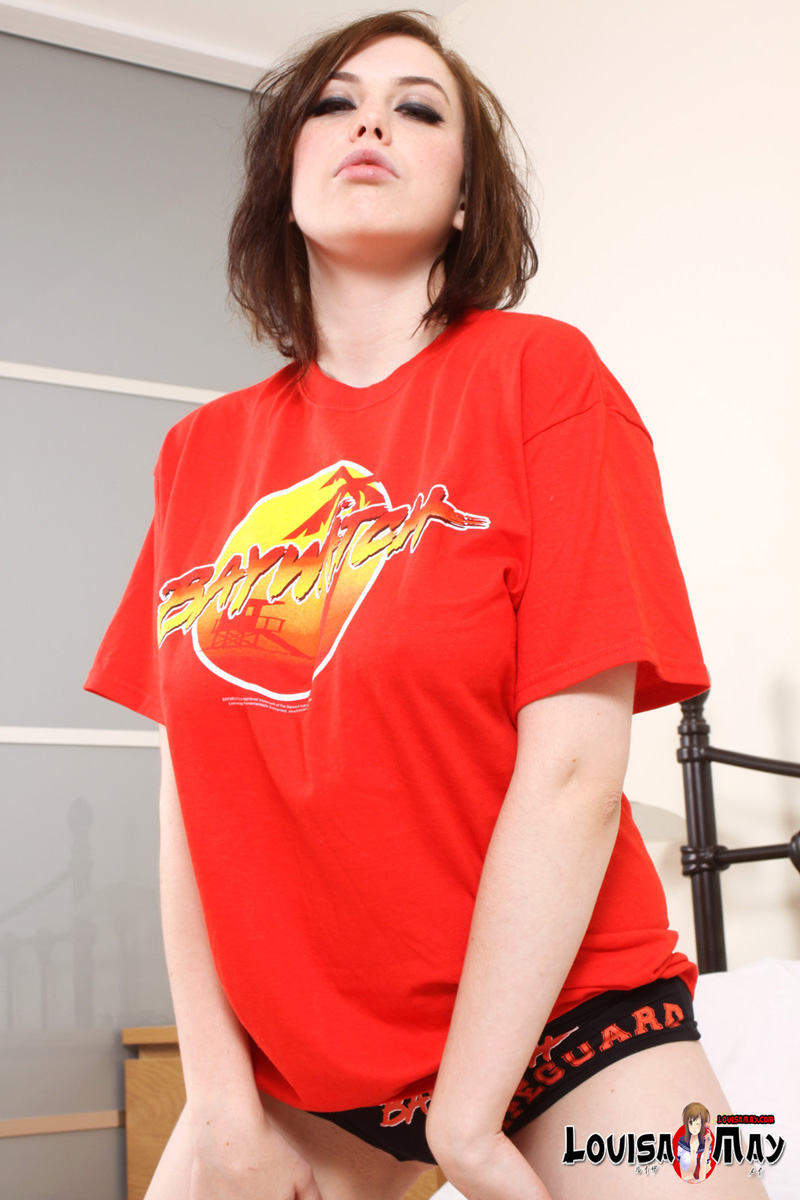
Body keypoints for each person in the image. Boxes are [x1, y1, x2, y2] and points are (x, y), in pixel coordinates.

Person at [85, 10, 766, 1200]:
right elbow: (189, 794)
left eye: (416, 108)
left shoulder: (541, 377)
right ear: (284, 177)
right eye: (335, 103)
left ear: (462, 199)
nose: (370, 123)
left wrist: (465, 1121)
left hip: (565, 1018)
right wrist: (221, 1101)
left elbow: (573, 768)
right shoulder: (200, 452)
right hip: (303, 1059)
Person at [676, 1103, 715, 1184]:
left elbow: (702, 1177)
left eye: (697, 1124)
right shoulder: (682, 1142)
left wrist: (707, 1146)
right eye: (691, 1123)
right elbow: (679, 1164)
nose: (694, 1128)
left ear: (703, 1125)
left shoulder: (705, 1144)